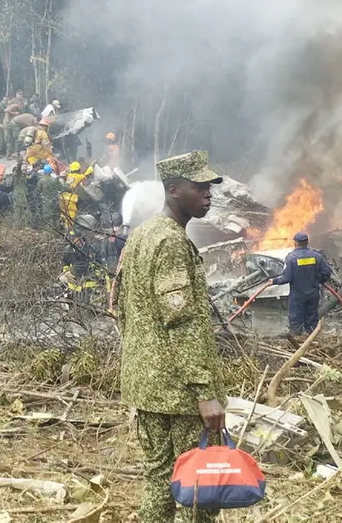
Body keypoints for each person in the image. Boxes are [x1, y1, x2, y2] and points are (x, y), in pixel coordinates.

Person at [113, 150, 227, 523]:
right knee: (197, 491)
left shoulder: (143, 235)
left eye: (209, 186)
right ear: (174, 190)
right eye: (200, 187)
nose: (208, 194)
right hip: (180, 395)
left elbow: (122, 308)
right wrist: (206, 394)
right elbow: (182, 323)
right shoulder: (172, 244)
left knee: (160, 481)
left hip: (147, 387)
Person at [267, 232, 331, 337]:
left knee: (296, 320)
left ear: (295, 243)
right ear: (307, 242)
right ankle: (312, 341)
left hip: (298, 296)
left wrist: (274, 281)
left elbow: (286, 278)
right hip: (313, 294)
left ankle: (297, 341)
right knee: (311, 320)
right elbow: (327, 273)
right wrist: (318, 280)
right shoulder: (316, 256)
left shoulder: (291, 258)